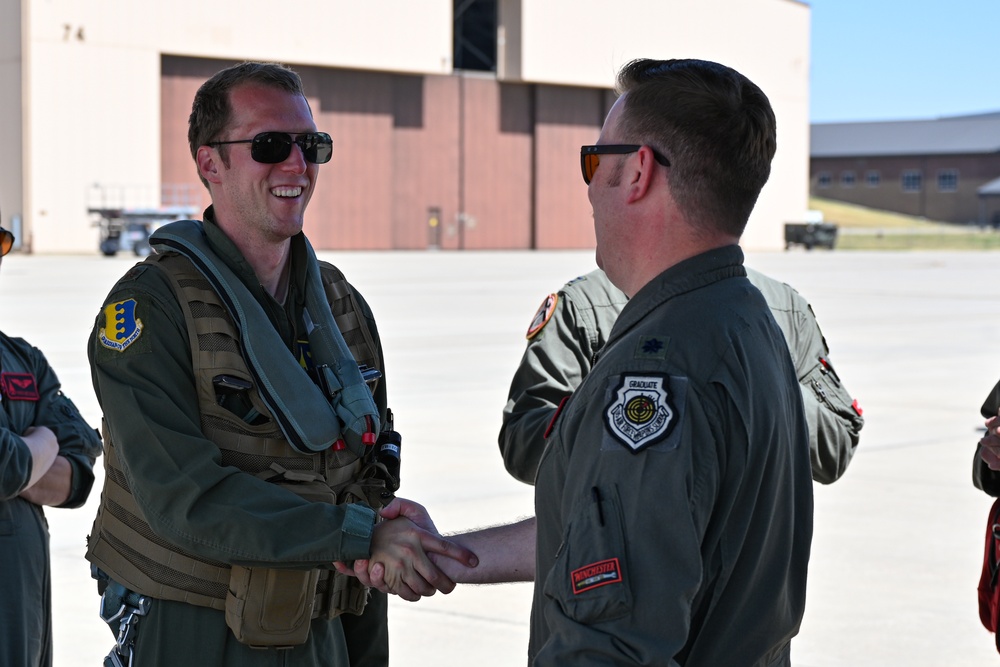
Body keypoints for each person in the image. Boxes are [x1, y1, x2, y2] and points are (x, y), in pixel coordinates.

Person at [352, 58, 815, 665]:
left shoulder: (659, 370)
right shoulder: (748, 320)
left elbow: (612, 642)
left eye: (595, 161)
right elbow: (637, 536)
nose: (589, 184)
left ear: (639, 172)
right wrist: (450, 554)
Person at [84, 61, 472, 667]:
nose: (298, 164)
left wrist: (382, 531)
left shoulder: (342, 308)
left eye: (311, 145)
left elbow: (369, 460)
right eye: (270, 145)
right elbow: (185, 497)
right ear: (210, 163)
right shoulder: (149, 309)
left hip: (331, 619)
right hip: (197, 629)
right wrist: (362, 534)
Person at [500, 266, 864, 485]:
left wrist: (758, 376)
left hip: (745, 598)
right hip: (620, 587)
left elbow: (835, 450)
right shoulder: (588, 307)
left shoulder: (783, 307)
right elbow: (523, 442)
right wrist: (617, 414)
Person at [0, 221, 103, 667]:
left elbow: (78, 467)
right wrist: (41, 440)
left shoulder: (23, 358)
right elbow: (6, 466)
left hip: (24, 616)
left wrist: (25, 459)